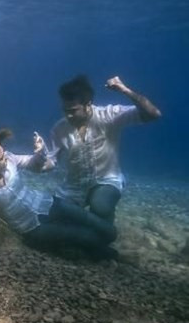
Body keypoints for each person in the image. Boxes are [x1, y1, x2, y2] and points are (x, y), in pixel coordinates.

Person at [0, 128, 119, 259]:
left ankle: (107, 242)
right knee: (84, 237)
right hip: (33, 229)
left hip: (49, 203)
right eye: (1, 157)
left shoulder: (10, 160)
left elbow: (35, 165)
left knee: (98, 225)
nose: (6, 156)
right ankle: (109, 255)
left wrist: (40, 153)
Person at [46, 75, 162, 224]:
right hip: (74, 186)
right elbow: (51, 162)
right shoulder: (59, 129)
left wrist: (124, 90)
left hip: (106, 180)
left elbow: (153, 114)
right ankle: (96, 229)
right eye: (65, 110)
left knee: (100, 207)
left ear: (88, 104)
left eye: (73, 110)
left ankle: (102, 229)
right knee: (54, 216)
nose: (68, 115)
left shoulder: (107, 115)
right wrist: (40, 159)